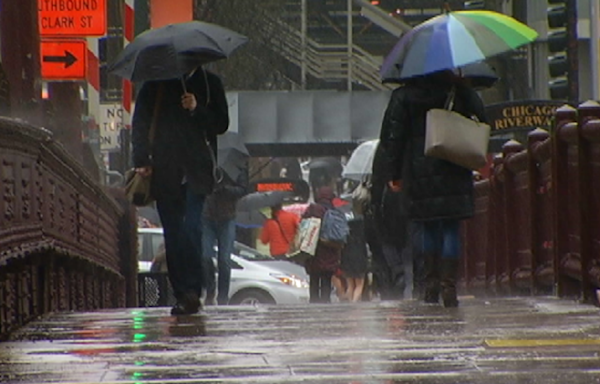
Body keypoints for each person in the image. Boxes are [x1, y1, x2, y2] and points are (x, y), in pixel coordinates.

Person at [378, 70, 486, 308]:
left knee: (427, 226)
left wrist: (393, 173)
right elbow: (483, 118)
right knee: (450, 227)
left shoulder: (403, 97)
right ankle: (450, 286)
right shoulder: (458, 90)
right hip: (454, 166)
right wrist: (463, 86)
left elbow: (391, 138)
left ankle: (430, 284)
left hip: (418, 171)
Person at [132, 67, 229, 315]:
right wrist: (141, 158)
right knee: (173, 233)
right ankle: (182, 293)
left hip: (197, 172)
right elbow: (140, 121)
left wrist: (197, 109)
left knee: (191, 228)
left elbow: (221, 124)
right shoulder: (156, 83)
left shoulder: (209, 83)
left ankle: (193, 291)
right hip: (165, 171)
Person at [202, 166, 248, 305]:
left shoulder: (236, 166)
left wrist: (225, 189)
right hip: (207, 216)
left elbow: (243, 189)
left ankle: (223, 297)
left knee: (224, 260)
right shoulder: (206, 160)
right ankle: (210, 290)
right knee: (205, 256)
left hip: (227, 217)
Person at [303, 186, 344, 303]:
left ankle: (314, 304)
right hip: (330, 250)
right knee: (326, 281)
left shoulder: (312, 210)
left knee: (314, 280)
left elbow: (303, 227)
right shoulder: (335, 212)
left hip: (314, 252)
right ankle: (326, 304)